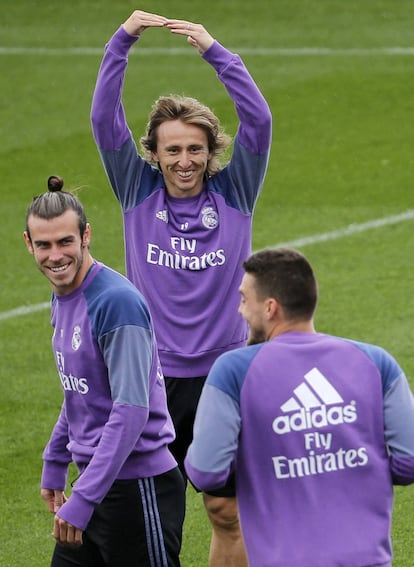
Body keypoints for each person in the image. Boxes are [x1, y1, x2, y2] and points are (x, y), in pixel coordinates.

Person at [90, 9, 272, 566]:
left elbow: (259, 121)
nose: (185, 161)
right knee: (144, 513)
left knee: (228, 511)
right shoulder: (136, 191)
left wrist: (216, 51)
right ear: (155, 154)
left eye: (194, 149)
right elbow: (104, 120)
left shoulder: (235, 190)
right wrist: (120, 43)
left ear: (210, 151)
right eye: (172, 150)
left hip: (223, 377)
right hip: (151, 380)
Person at [185, 247, 414, 567]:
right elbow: (409, 461)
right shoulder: (376, 362)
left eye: (243, 299)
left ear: (270, 308)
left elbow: (207, 471)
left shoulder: (234, 371)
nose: (239, 311)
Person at [23, 176, 185, 567]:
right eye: (43, 245)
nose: (55, 255)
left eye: (65, 242)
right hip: (97, 482)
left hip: (136, 488)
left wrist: (85, 498)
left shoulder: (116, 303)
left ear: (86, 236)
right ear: (27, 243)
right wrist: (55, 460)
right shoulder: (63, 295)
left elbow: (131, 410)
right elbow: (81, 392)